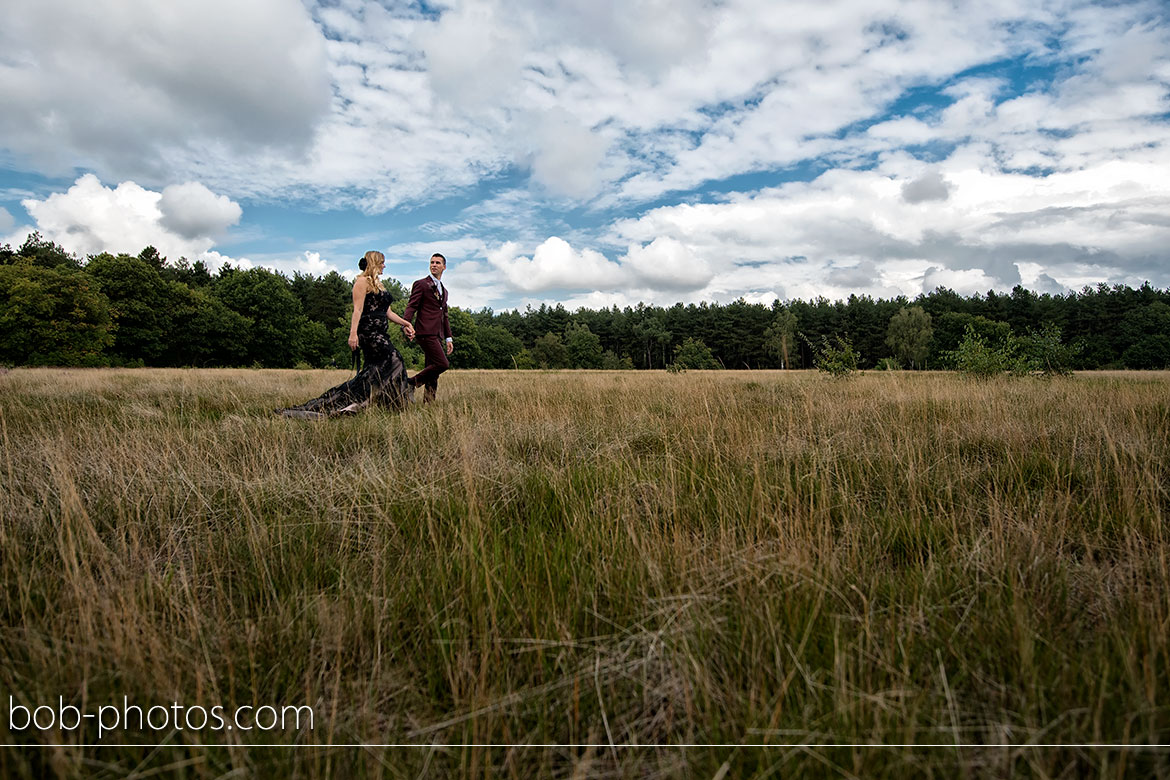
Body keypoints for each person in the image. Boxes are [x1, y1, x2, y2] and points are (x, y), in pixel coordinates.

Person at [277, 251, 415, 419]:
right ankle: (382, 404)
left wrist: (406, 323)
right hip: (369, 333)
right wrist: (353, 334)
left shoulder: (378, 283)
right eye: (382, 262)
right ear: (374, 262)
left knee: (375, 370)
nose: (384, 265)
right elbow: (357, 310)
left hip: (381, 332)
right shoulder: (361, 282)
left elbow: (388, 312)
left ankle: (366, 404)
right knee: (395, 359)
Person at [403, 252, 453, 403]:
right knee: (442, 364)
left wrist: (448, 338)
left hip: (437, 334)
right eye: (432, 262)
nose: (434, 265)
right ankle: (411, 383)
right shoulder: (421, 284)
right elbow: (411, 306)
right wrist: (406, 324)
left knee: (433, 370)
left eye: (438, 263)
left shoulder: (444, 291)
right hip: (425, 331)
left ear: (444, 267)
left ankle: (429, 404)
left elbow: (444, 315)